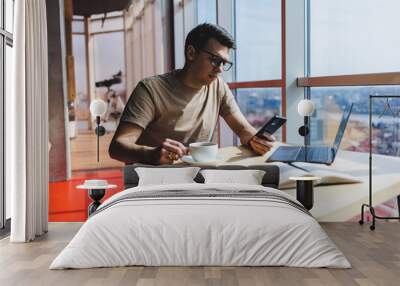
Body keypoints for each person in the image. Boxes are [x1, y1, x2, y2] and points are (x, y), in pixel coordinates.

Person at [109, 23, 275, 165]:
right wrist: (152, 154)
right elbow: (117, 147)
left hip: (197, 179)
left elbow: (243, 129)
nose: (220, 69)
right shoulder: (150, 89)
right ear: (191, 53)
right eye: (215, 60)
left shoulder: (218, 87)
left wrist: (256, 140)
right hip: (153, 180)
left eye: (224, 63)